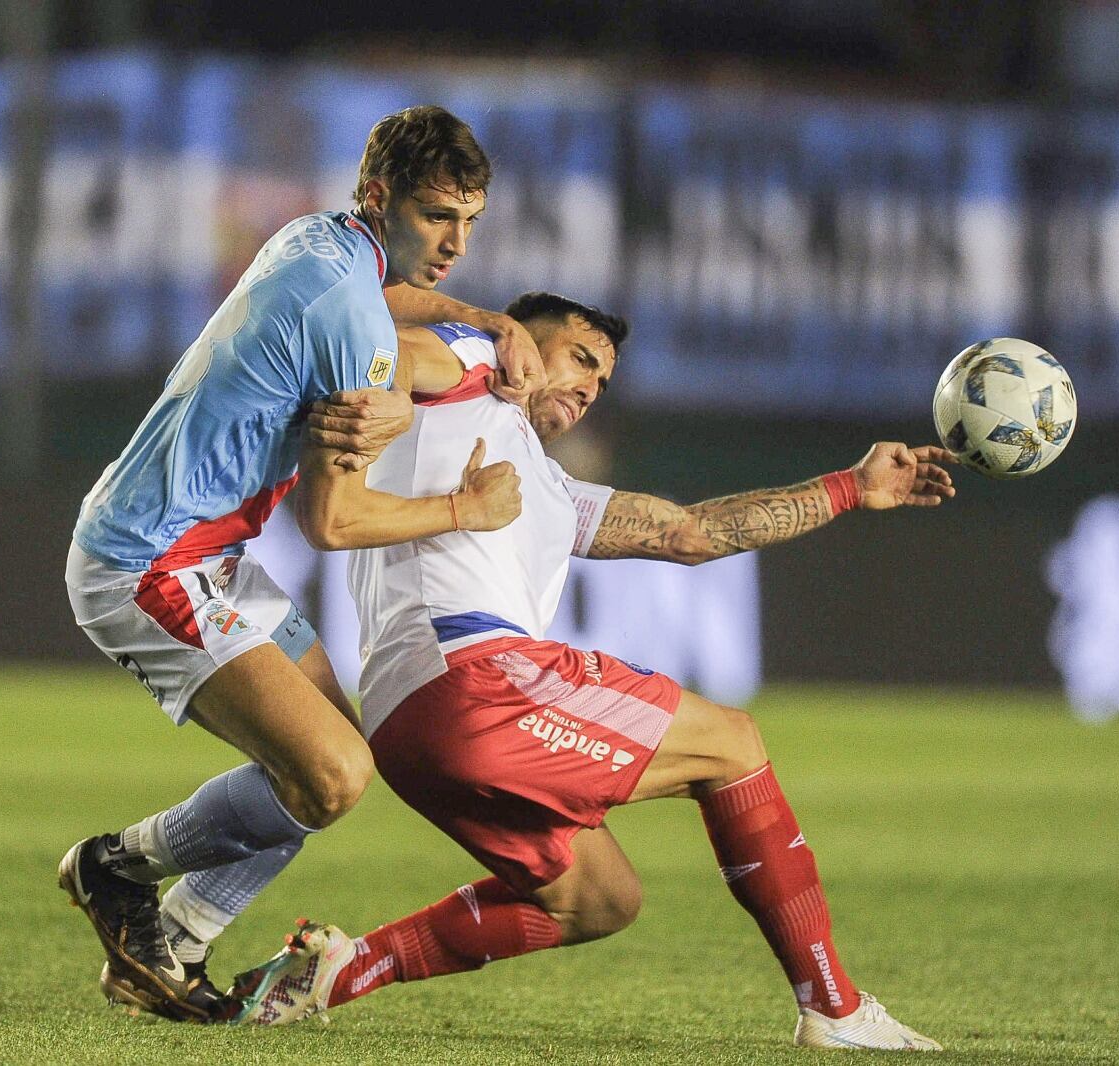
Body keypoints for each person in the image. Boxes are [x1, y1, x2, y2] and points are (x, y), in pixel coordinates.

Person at [227, 293, 952, 1051]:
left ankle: (345, 969)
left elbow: (689, 532)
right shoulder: (466, 371)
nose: (589, 385)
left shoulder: (551, 487)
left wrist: (852, 487)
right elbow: (370, 348)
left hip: (411, 728)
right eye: (579, 358)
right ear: (519, 343)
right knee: (731, 744)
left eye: (603, 380)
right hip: (475, 677)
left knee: (599, 900)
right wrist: (364, 391)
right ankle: (834, 1008)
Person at [57, 105, 544, 1022]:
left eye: (470, 221)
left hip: (209, 550)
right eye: (439, 216)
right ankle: (115, 869)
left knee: (329, 762)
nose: (457, 243)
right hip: (149, 563)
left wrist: (475, 325)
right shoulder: (347, 318)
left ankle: (174, 943)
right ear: (380, 196)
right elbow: (333, 518)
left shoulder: (316, 240)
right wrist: (464, 510)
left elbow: (384, 300)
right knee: (332, 774)